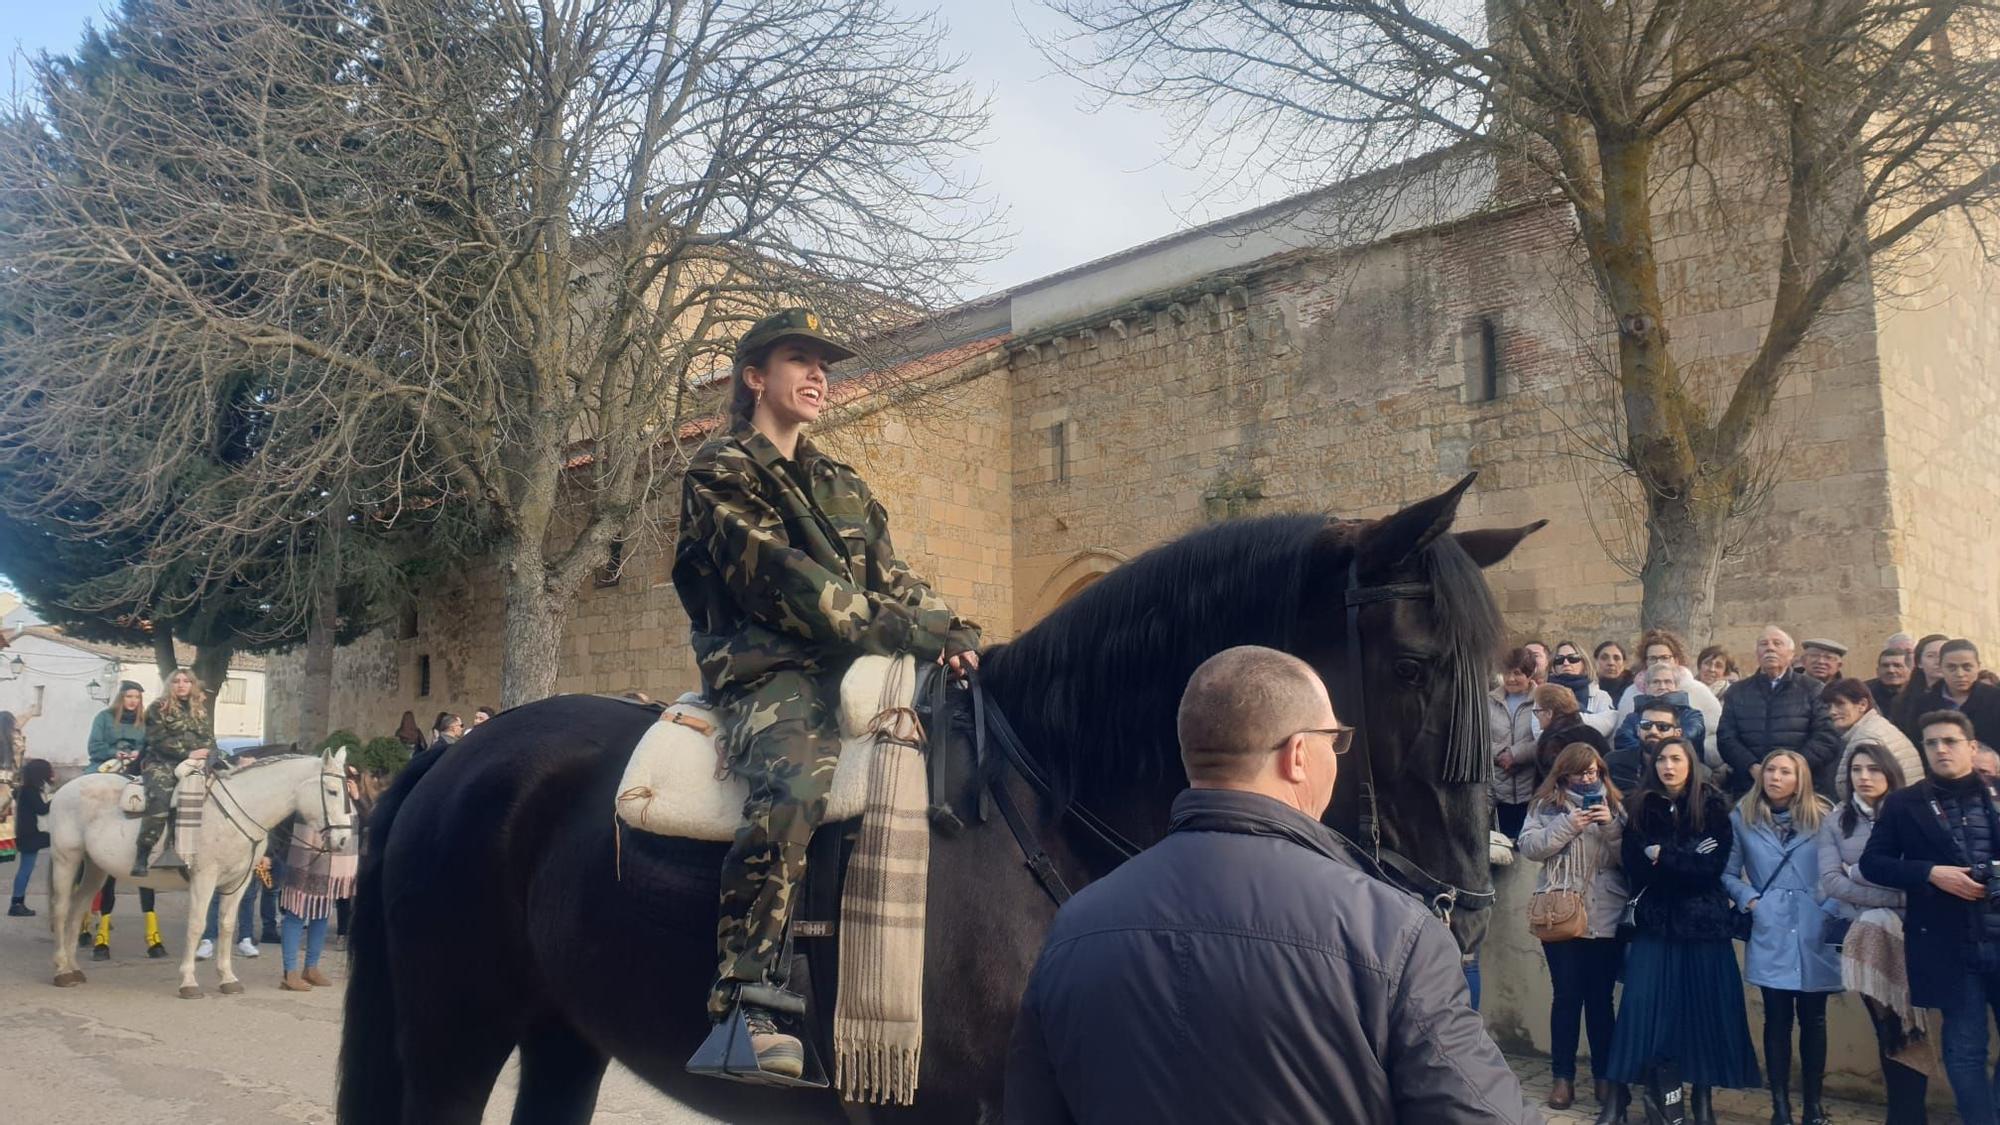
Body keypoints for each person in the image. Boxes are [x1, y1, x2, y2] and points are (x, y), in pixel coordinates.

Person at [1003, 645, 1532, 1123]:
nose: (1337, 757)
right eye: (1335, 740)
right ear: (1298, 754)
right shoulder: (1393, 931)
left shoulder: (1074, 924)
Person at [674, 308, 980, 1073]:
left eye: (824, 364)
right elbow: (795, 588)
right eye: (798, 359)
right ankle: (743, 998)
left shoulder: (841, 481)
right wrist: (915, 631)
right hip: (764, 669)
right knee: (798, 776)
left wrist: (957, 630)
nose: (818, 376)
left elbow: (895, 578)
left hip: (854, 665)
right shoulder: (719, 472)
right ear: (754, 377)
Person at [1604, 736, 1759, 1124]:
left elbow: (1711, 871)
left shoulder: (1712, 807)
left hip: (1704, 927)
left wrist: (1664, 857)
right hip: (1655, 924)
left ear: (1690, 763)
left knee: (1703, 1012)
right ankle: (1616, 1101)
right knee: (1639, 1011)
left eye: (1676, 759)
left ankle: (1701, 1103)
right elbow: (1635, 868)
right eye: (1661, 760)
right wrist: (1684, 860)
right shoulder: (1639, 807)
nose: (1668, 767)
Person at [1862, 710, 2000, 1123]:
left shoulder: (1997, 794)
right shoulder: (1905, 803)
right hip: (1948, 944)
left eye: (1950, 741)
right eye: (1931, 743)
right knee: (1965, 1049)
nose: (1940, 749)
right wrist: (1929, 873)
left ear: (1972, 747)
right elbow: (1874, 863)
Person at [1723, 749, 1841, 1125]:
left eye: (1785, 771)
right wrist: (1751, 900)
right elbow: (1726, 873)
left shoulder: (1825, 816)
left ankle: (1812, 1105)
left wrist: (1829, 907)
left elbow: (1842, 869)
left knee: (1815, 1019)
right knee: (1776, 1020)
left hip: (1813, 924)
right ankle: (1779, 1107)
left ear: (1800, 778)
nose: (1775, 777)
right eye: (1770, 770)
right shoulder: (1742, 816)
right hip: (1770, 924)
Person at [1817, 743, 1928, 1124]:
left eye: (1873, 769)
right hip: (1866, 938)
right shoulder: (1835, 821)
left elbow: (1918, 878)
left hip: (1918, 935)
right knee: (1888, 1029)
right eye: (1857, 769)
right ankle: (1902, 1115)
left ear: (1890, 773)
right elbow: (1832, 882)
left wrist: (1860, 873)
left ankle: (1911, 1115)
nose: (1864, 777)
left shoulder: (1912, 813)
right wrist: (1888, 890)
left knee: (1913, 1027)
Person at [1517, 743, 1629, 1119]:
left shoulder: (1615, 804)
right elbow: (1530, 847)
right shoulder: (1545, 805)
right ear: (1564, 774)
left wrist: (1610, 826)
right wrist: (1569, 824)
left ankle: (1604, 1077)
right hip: (1560, 914)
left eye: (1594, 772)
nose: (1587, 778)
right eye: (1580, 772)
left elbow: (1626, 860)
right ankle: (1561, 1078)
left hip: (1605, 914)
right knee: (1566, 998)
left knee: (1601, 1001)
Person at [1718, 626, 1840, 797]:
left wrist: (1791, 768)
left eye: (1777, 643)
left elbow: (1826, 737)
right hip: (1749, 786)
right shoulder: (1737, 692)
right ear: (1757, 654)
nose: (1770, 648)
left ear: (1791, 654)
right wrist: (1752, 766)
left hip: (1800, 787)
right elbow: (1726, 737)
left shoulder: (1813, 689)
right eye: (1763, 644)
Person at [131, 669, 216, 877]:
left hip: (195, 763)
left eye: (186, 681)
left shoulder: (201, 710)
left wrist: (209, 754)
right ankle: (143, 852)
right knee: (160, 800)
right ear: (170, 685)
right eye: (176, 681)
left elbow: (209, 738)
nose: (181, 685)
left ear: (192, 685)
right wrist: (188, 752)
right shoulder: (158, 708)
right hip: (161, 763)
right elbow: (157, 740)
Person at [1609, 629, 1723, 767]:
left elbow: (1704, 732)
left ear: (1675, 659)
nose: (1658, 662)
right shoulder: (1631, 694)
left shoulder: (1697, 691)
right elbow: (1624, 737)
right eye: (1653, 658)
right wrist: (1647, 755)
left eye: (1664, 657)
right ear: (1645, 661)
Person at [277, 805, 356, 992]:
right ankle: (290, 973)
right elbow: (283, 822)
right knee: (295, 912)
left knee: (321, 914)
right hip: (303, 858)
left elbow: (364, 823)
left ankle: (311, 968)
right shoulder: (311, 785)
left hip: (332, 863)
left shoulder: (348, 794)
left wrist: (358, 798)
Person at [1821, 677, 1925, 788]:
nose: (1832, 712)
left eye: (1840, 704)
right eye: (1828, 706)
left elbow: (1870, 790)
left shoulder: (1867, 737)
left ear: (1862, 705)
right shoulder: (1876, 726)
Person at [1612, 664, 1710, 768]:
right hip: (1639, 771)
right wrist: (1647, 755)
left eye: (1667, 681)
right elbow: (1623, 739)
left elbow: (1688, 739)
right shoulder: (1633, 717)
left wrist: (1655, 751)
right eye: (1656, 682)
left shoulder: (1691, 715)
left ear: (1676, 686)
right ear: (1646, 687)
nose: (1662, 686)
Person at [1490, 647, 1542, 840]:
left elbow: (1546, 739)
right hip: (1498, 792)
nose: (1511, 679)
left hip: (1531, 789)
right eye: (1507, 673)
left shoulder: (1541, 700)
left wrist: (1516, 754)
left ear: (1529, 674)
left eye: (1517, 673)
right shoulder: (1489, 702)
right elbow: (1480, 741)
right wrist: (1502, 755)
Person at [1923, 640, 2000, 747]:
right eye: (1951, 668)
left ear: (1978, 667)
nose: (1960, 674)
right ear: (1941, 668)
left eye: (1967, 667)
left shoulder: (1995, 699)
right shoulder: (1924, 703)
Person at [1606, 699, 1685, 795]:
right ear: (1638, 730)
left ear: (1677, 733)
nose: (1653, 731)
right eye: (1646, 725)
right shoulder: (1613, 762)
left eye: (1662, 726)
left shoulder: (1692, 770)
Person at [1533, 683, 1611, 778]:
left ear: (1549, 713)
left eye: (1537, 711)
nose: (1536, 717)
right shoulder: (1593, 734)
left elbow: (1551, 780)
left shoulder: (1552, 742)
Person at [8, 758, 53, 916]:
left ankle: (17, 902)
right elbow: (41, 809)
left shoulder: (23, 789)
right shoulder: (30, 791)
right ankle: (16, 903)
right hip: (30, 835)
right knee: (25, 869)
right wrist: (58, 799)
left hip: (25, 833)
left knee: (25, 868)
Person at [1548, 640, 1617, 735]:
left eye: (1573, 658)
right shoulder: (1545, 695)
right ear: (1553, 665)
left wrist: (1566, 720)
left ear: (1584, 663)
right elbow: (1539, 732)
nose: (1566, 663)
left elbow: (1605, 726)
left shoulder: (1600, 696)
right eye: (1559, 659)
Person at [87, 681, 148, 771]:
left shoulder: (144, 721)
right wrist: (114, 753)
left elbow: (148, 744)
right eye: (129, 696)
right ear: (121, 698)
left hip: (135, 764)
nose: (133, 701)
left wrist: (138, 752)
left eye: (137, 697)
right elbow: (94, 746)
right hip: (104, 762)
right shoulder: (103, 717)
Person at [1868, 648, 1913, 713]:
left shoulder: (1920, 692)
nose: (1891, 670)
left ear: (1910, 670)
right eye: (1885, 666)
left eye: (1897, 666)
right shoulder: (1865, 692)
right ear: (1877, 671)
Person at [1596, 640, 1634, 705]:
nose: (1611, 663)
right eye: (1604, 658)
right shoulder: (1588, 689)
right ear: (1595, 661)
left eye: (1617, 658)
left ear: (1624, 663)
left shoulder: (1634, 689)